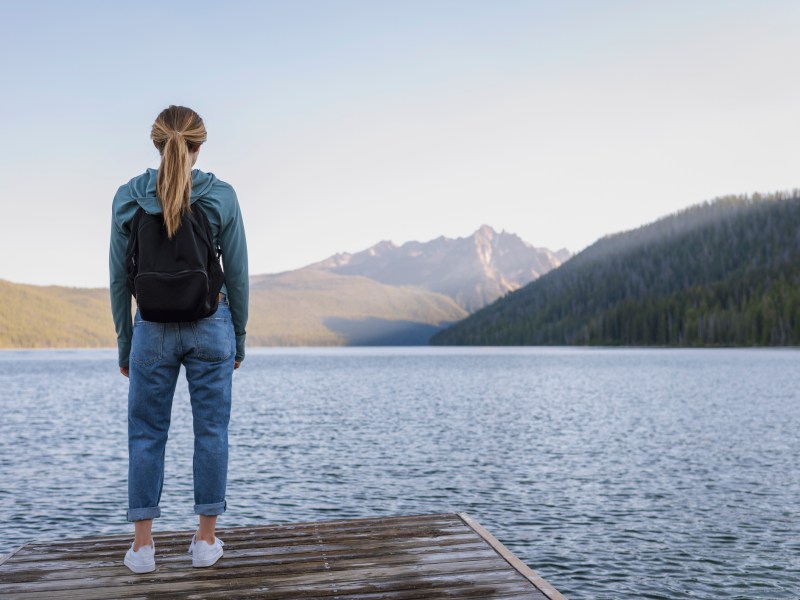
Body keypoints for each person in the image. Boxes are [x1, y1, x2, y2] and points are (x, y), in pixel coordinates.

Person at [109, 105, 249, 573]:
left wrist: (126, 344)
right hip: (213, 323)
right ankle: (205, 543)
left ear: (156, 143)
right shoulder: (221, 196)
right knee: (211, 431)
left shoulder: (128, 197)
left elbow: (117, 279)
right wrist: (240, 337)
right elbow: (239, 276)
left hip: (151, 328)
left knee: (146, 435)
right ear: (199, 146)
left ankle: (143, 549)